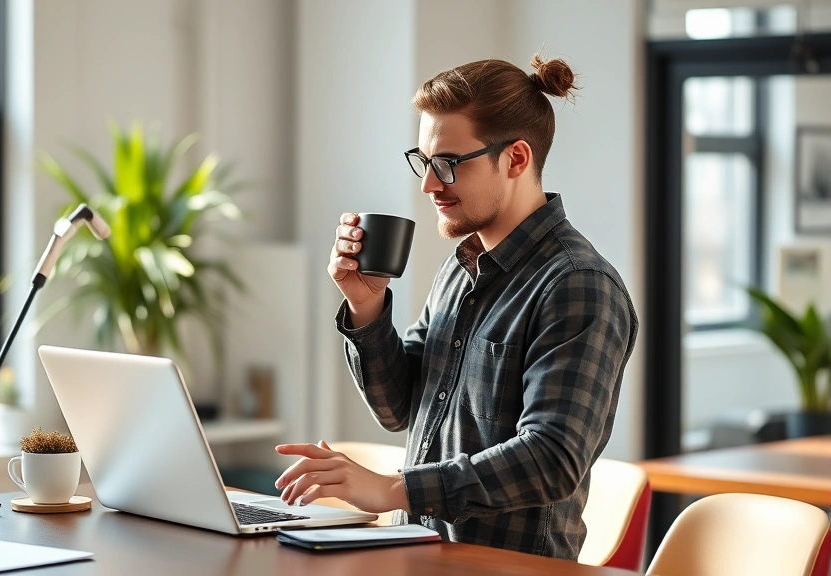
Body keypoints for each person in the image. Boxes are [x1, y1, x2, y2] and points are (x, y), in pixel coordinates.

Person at [273, 54, 638, 560]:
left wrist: (393, 490)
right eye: (424, 161)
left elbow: (552, 458)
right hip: (417, 554)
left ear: (515, 159)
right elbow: (399, 410)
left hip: (506, 568)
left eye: (446, 163)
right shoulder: (462, 264)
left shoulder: (578, 285)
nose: (428, 184)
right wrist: (367, 305)